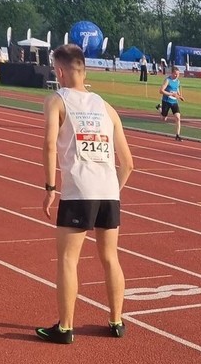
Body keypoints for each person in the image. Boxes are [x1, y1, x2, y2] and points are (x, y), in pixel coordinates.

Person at [36, 43, 133, 345]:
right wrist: (110, 190)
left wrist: (50, 187)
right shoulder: (107, 107)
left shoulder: (57, 100)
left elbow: (49, 145)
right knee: (110, 258)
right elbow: (129, 163)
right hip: (108, 191)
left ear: (59, 72)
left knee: (68, 259)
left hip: (79, 190)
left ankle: (65, 328)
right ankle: (116, 321)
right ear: (84, 71)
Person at [158, 64, 184, 140]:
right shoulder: (167, 80)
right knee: (164, 118)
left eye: (178, 74)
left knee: (178, 118)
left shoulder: (178, 81)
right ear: (172, 73)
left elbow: (177, 89)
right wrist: (171, 94)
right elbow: (161, 91)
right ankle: (160, 108)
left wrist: (180, 96)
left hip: (174, 102)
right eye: (175, 74)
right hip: (166, 101)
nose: (177, 75)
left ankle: (177, 135)